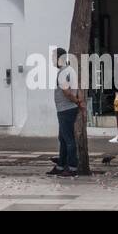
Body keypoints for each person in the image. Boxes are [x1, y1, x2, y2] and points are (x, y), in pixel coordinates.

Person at [50, 48, 84, 177]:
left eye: (53, 57)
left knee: (68, 139)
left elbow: (67, 92)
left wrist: (76, 101)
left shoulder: (64, 72)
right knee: (63, 138)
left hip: (66, 109)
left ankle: (72, 168)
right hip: (66, 109)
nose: (52, 59)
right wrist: (78, 102)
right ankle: (60, 166)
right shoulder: (69, 70)